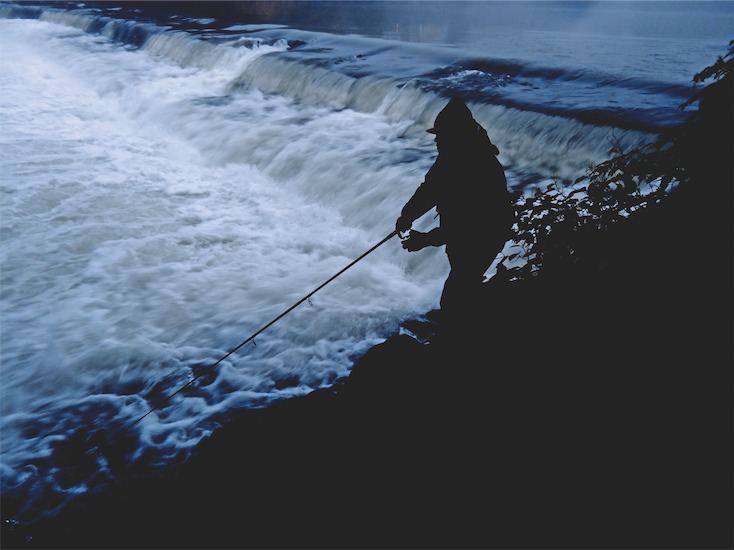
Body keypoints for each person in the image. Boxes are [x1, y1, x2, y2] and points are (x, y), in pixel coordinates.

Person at [396, 97, 514, 324]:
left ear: (457, 136)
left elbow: (471, 226)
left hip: (486, 235)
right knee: (463, 282)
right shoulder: (451, 157)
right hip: (462, 233)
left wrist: (427, 239)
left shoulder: (481, 168)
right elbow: (430, 189)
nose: (437, 140)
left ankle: (459, 337)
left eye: (442, 135)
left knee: (457, 292)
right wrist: (407, 215)